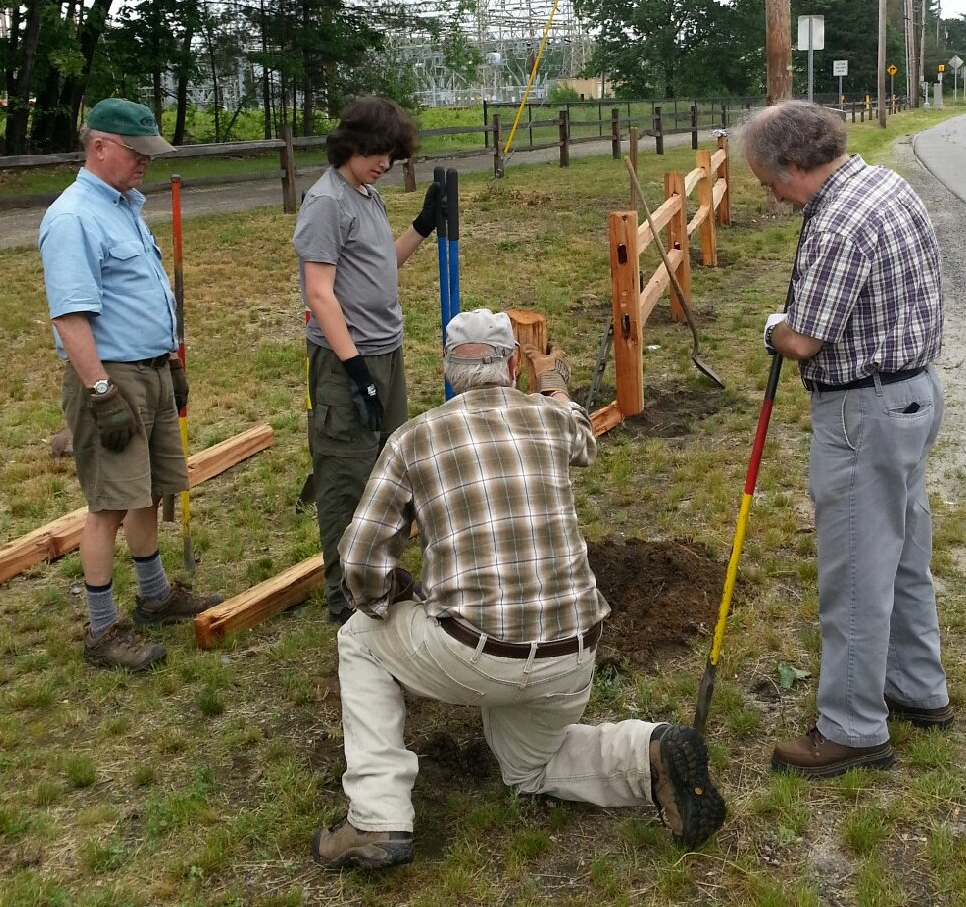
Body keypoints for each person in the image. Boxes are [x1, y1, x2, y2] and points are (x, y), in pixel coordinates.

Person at [310, 309, 728, 870]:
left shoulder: (415, 439)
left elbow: (358, 557)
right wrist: (553, 383)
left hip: (476, 655)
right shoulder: (549, 421)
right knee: (528, 767)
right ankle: (646, 754)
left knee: (360, 638)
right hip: (573, 653)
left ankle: (377, 815)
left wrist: (386, 600)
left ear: (446, 370)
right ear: (510, 365)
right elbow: (583, 436)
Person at [745, 100, 952, 779]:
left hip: (864, 413)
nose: (772, 195)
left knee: (856, 575)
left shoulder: (837, 223)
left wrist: (772, 328)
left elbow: (805, 338)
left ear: (795, 163)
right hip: (913, 394)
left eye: (771, 181)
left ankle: (854, 727)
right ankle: (918, 688)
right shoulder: (884, 183)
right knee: (902, 554)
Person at [38, 97, 220, 673]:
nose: (145, 163)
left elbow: (141, 295)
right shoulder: (73, 218)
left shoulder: (122, 206)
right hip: (112, 378)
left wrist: (171, 363)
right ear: (100, 147)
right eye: (137, 152)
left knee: (150, 489)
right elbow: (70, 318)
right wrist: (100, 393)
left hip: (150, 371)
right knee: (110, 504)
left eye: (149, 153)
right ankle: (101, 629)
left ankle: (154, 595)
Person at [292, 96, 443, 624]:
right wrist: (356, 371)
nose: (385, 163)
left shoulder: (368, 195)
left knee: (390, 476)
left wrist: (422, 224)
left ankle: (378, 576)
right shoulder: (326, 202)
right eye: (378, 152)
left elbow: (382, 267)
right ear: (351, 142)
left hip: (386, 355)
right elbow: (319, 292)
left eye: (392, 155)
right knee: (347, 480)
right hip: (344, 365)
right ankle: (345, 600)